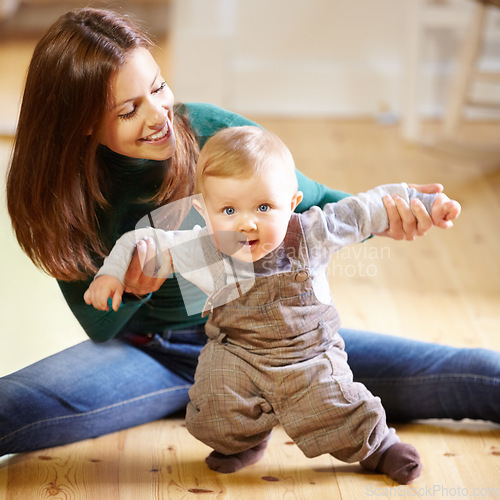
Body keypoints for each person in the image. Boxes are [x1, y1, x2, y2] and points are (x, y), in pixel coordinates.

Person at [3, 7, 499, 460]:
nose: (159, 117)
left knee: (457, 373)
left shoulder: (215, 137)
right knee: (11, 407)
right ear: (83, 124)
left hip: (279, 341)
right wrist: (131, 288)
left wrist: (391, 213)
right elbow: (100, 327)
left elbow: (320, 207)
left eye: (157, 88)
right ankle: (220, 408)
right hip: (150, 355)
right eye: (128, 110)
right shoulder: (59, 193)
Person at [84, 125, 461, 483]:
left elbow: (363, 210)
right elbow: (145, 240)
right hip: (237, 354)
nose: (247, 224)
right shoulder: (204, 249)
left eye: (264, 207)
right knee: (214, 405)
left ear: (292, 202)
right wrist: (111, 273)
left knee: (337, 405)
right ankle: (244, 441)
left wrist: (425, 202)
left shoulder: (311, 232)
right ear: (205, 212)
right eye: (229, 211)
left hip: (307, 355)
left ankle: (379, 448)